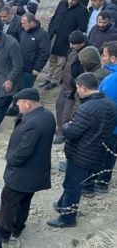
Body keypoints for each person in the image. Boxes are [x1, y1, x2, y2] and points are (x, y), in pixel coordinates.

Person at [49, 73, 116, 227]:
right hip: (98, 151)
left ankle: (67, 218)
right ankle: (61, 204)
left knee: (72, 185)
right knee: (74, 183)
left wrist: (66, 125)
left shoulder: (87, 108)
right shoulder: (110, 103)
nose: (77, 91)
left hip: (81, 154)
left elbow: (72, 132)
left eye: (78, 88)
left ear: (84, 88)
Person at [0, 88, 56, 241]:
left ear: (28, 103)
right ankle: (17, 228)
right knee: (24, 201)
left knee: (9, 202)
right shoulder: (47, 116)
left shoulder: (33, 123)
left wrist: (11, 159)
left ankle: (3, 232)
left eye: (19, 103)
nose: (17, 106)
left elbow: (24, 151)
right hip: (35, 173)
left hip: (22, 174)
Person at [43, 0, 90, 90]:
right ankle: (49, 77)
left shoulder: (82, 11)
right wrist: (51, 30)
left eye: (74, 0)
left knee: (61, 62)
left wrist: (72, 40)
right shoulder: (62, 4)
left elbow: (81, 28)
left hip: (67, 41)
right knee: (52, 59)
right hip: (55, 37)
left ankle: (55, 80)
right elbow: (54, 17)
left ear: (78, 0)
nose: (71, 1)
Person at [5, 12, 51, 117]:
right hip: (20, 66)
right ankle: (15, 108)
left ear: (32, 22)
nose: (22, 25)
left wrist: (37, 68)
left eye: (24, 23)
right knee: (17, 88)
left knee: (25, 90)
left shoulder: (42, 34)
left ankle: (24, 112)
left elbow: (45, 53)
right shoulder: (24, 32)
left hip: (31, 69)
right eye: (22, 23)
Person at [53, 31, 88, 145]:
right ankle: (59, 129)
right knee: (59, 106)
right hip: (65, 85)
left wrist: (75, 84)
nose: (71, 46)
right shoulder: (72, 50)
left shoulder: (86, 53)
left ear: (82, 43)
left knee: (68, 111)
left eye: (74, 44)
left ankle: (63, 134)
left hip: (74, 88)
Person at [94, 41, 117, 194]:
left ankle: (101, 182)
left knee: (106, 152)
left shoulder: (112, 80)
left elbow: (103, 103)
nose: (102, 58)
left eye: (104, 55)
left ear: (113, 59)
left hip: (111, 125)